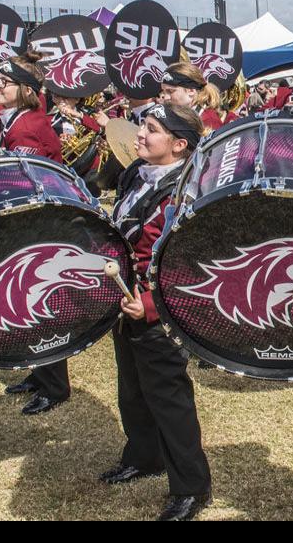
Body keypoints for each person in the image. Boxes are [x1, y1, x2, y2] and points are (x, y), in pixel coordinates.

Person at [101, 103, 212, 521]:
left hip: (157, 307)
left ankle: (191, 487)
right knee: (132, 387)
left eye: (151, 130)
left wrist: (147, 304)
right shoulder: (135, 173)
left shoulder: (188, 192)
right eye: (142, 127)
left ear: (179, 144)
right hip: (124, 298)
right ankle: (143, 456)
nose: (139, 136)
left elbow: (189, 265)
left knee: (169, 397)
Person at [0, 53, 68, 414]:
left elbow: (23, 179)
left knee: (37, 304)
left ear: (25, 90)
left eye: (3, 82)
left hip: (36, 221)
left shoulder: (27, 125)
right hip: (30, 220)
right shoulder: (16, 121)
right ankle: (39, 373)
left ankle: (54, 385)